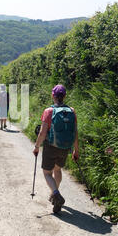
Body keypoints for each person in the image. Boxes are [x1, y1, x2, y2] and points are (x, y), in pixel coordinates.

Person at [33, 85, 79, 213]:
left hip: (51, 146)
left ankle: (55, 193)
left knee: (47, 173)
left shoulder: (49, 111)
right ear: (64, 96)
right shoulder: (72, 111)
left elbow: (42, 133)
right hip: (65, 147)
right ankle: (55, 194)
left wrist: (37, 147)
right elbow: (75, 132)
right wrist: (76, 150)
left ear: (53, 95)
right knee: (57, 170)